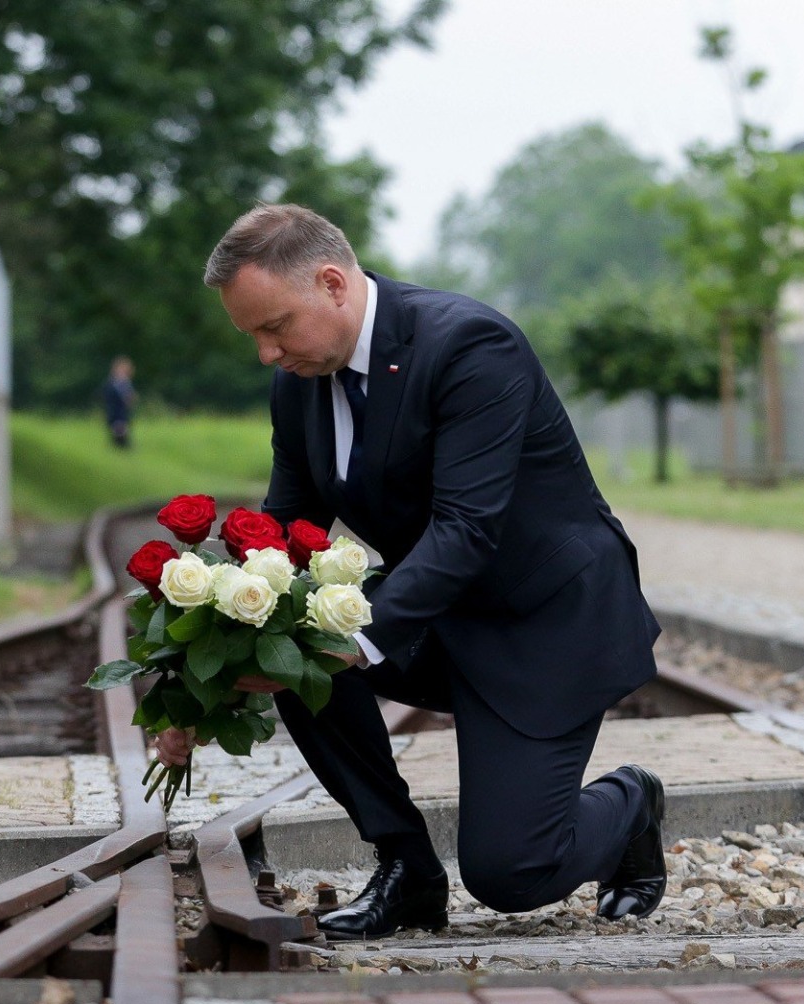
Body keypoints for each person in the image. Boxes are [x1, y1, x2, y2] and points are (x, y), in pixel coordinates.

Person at [160, 203, 664, 940]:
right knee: (284, 643)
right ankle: (406, 870)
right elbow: (280, 544)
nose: (266, 353)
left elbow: (466, 530)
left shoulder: (469, 346)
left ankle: (629, 805)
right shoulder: (299, 382)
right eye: (253, 337)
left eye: (275, 327)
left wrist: (354, 642)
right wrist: (198, 682)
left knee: (510, 875)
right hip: (440, 619)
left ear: (333, 283)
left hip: (543, 624)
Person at [101, 356, 136, 449]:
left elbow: (129, 397)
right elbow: (109, 398)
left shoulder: (126, 383)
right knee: (119, 433)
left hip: (123, 412)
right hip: (115, 412)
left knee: (123, 432)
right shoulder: (112, 384)